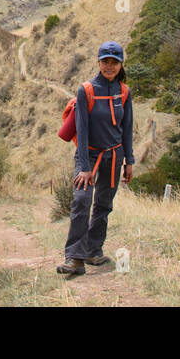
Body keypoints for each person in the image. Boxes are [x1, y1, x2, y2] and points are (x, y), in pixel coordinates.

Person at [57, 40, 134, 276]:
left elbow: (127, 127)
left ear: (121, 64)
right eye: (105, 61)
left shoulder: (124, 92)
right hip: (88, 155)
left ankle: (93, 250)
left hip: (115, 154)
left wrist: (129, 160)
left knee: (103, 205)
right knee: (81, 200)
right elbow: (81, 128)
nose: (109, 66)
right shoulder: (86, 90)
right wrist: (85, 167)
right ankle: (74, 258)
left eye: (114, 62)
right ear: (98, 62)